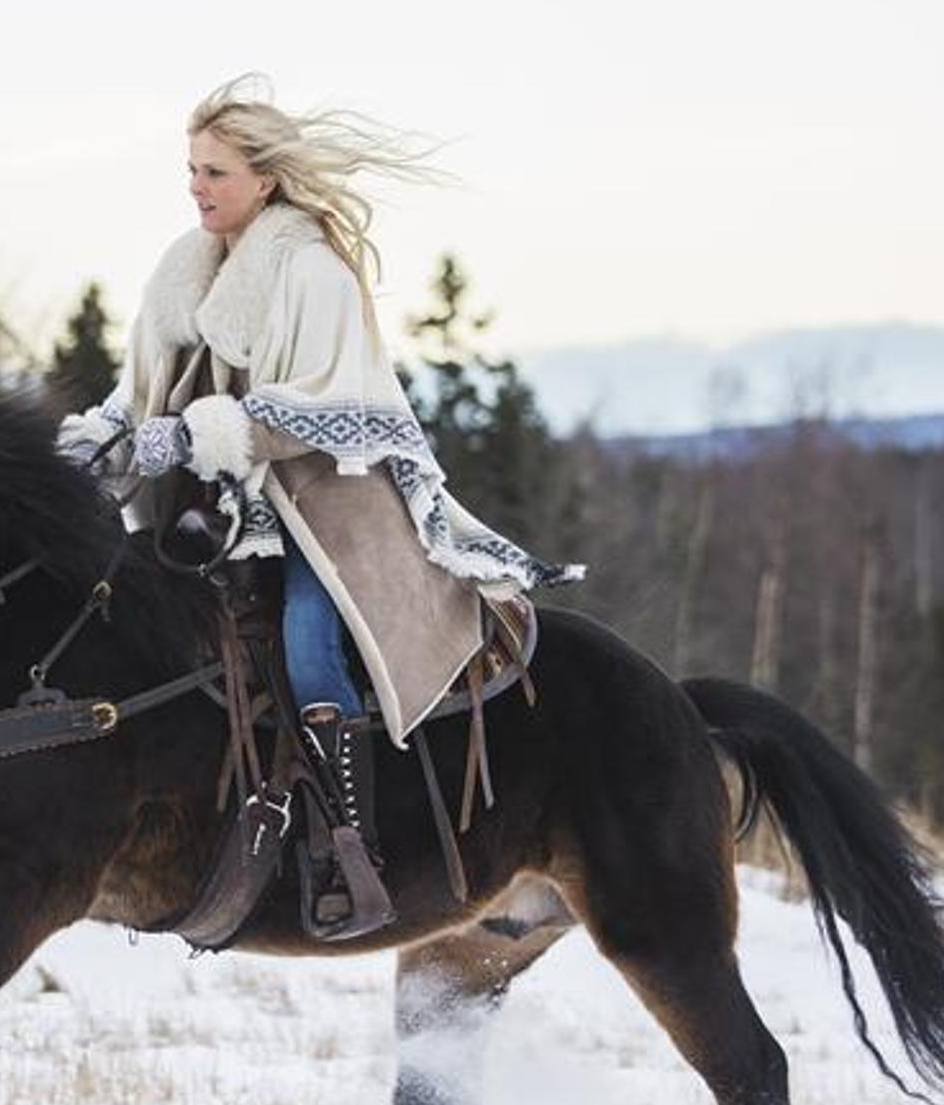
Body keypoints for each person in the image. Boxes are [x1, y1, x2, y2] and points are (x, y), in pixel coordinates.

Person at [59, 75, 580, 936]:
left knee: (308, 642)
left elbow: (327, 410)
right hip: (216, 506)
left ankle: (348, 847)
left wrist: (189, 436)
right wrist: (101, 440)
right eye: (191, 169)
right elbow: (140, 388)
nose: (196, 187)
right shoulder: (183, 272)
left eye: (215, 172)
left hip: (325, 502)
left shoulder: (313, 272)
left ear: (265, 179)